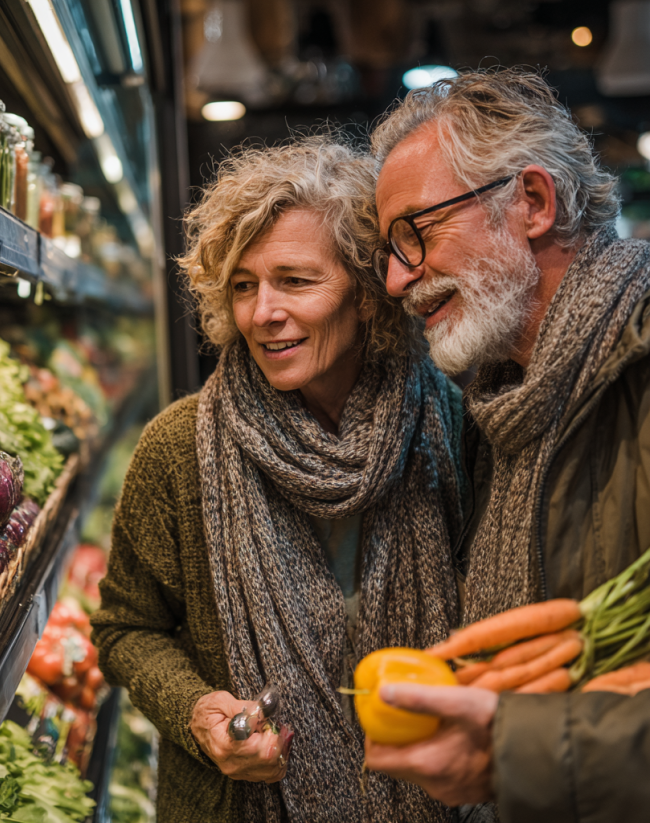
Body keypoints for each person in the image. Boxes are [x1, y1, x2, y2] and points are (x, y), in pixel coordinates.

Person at [91, 136, 466, 823]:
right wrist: (199, 711)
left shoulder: (451, 423)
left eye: (294, 280)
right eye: (242, 285)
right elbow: (126, 629)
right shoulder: (178, 448)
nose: (262, 312)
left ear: (364, 293)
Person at [364, 68, 650, 823]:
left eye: (414, 233)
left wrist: (512, 749)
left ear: (530, 201)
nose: (395, 280)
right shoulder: (498, 401)